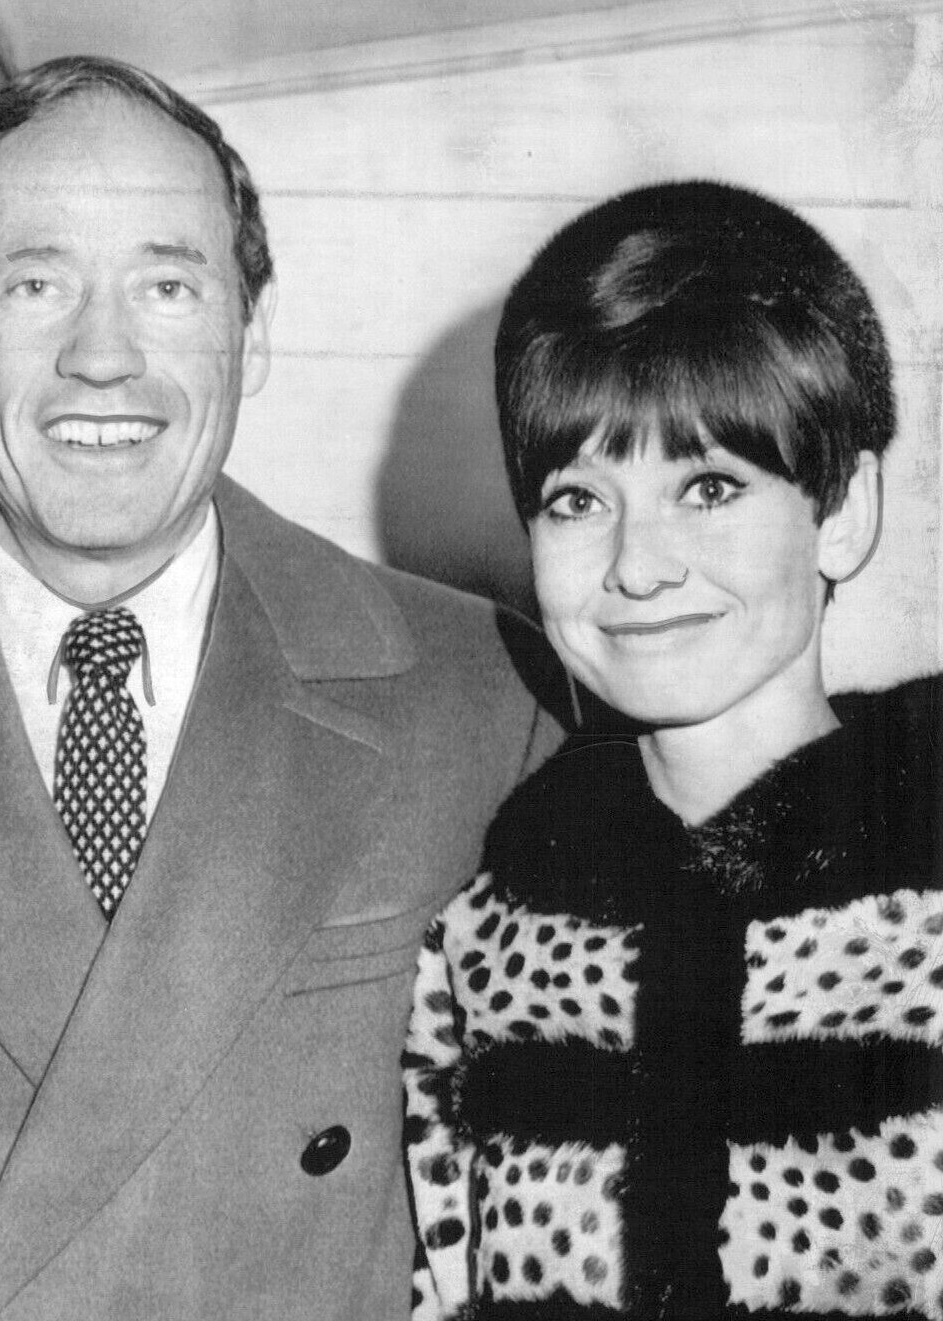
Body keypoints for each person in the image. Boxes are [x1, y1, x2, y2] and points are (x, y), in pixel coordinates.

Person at [0, 56, 566, 1321]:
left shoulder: (487, 700)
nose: (102, 357)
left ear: (250, 333)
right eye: (36, 284)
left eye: (167, 285)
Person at [404, 181, 943, 1319]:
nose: (638, 565)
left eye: (707, 487)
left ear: (842, 510)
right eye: (576, 500)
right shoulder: (486, 945)